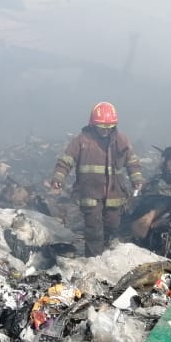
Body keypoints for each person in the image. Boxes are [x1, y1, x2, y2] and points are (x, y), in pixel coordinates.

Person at [50, 101, 144, 257]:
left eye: (109, 127)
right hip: (90, 193)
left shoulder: (121, 140)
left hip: (114, 194)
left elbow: (132, 162)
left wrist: (137, 180)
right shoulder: (82, 140)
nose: (106, 131)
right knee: (94, 228)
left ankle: (104, 250)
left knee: (112, 224)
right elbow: (66, 160)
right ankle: (94, 259)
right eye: (102, 127)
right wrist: (58, 177)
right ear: (93, 124)